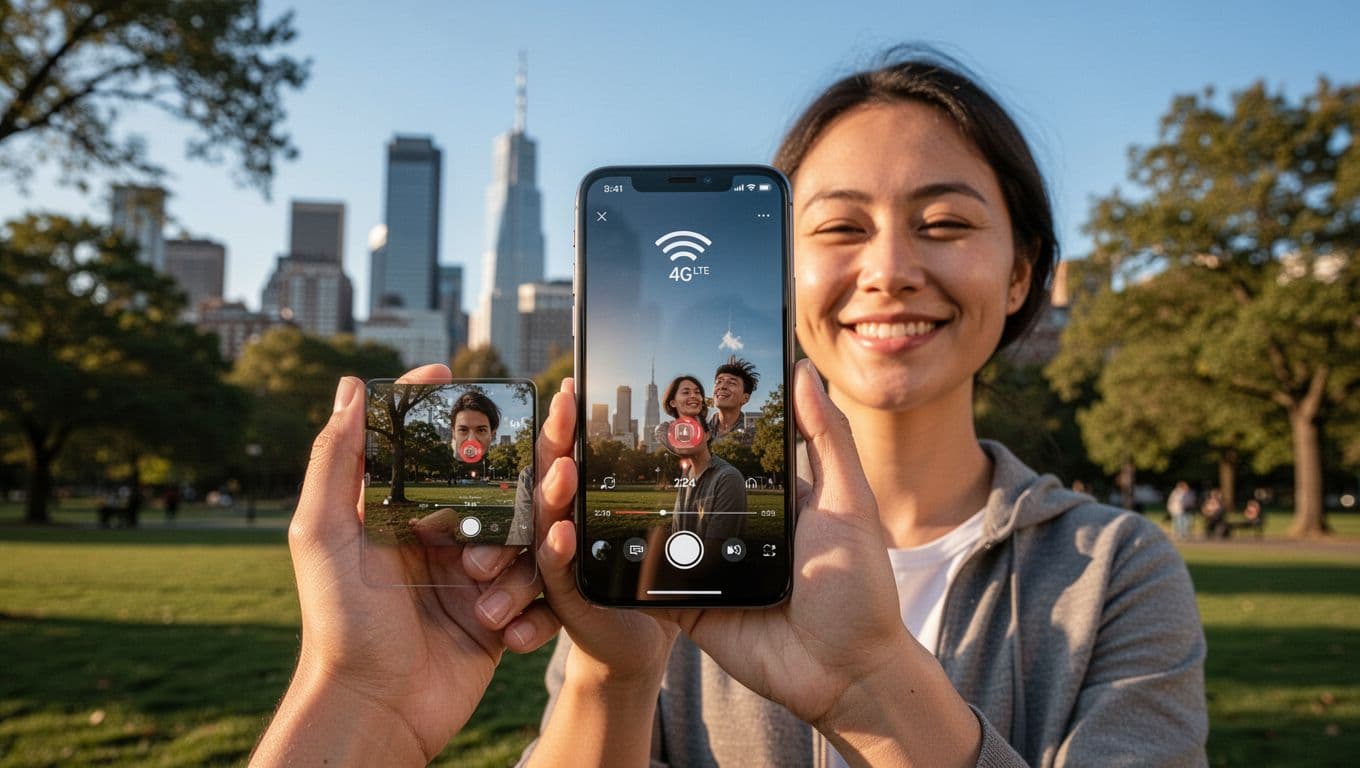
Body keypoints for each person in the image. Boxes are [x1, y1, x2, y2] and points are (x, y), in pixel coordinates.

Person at [519, 50, 1207, 767]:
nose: (889, 272)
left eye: (944, 224)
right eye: (842, 228)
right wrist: (613, 680)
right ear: (784, 271)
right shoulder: (675, 547)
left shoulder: (1116, 573)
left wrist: (871, 684)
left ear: (1020, 273)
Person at [251, 367, 569, 766]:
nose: (472, 439)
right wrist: (352, 686)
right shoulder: (429, 471)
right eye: (464, 430)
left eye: (481, 431)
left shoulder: (517, 479)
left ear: (493, 434)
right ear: (451, 434)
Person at [659, 374, 747, 541]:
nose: (685, 435)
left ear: (707, 435)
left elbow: (715, 549)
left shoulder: (728, 478)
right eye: (681, 431)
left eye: (692, 429)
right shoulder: (687, 474)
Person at [708, 356, 760, 446]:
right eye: (719, 382)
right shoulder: (700, 427)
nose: (722, 386)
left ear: (745, 398)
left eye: (732, 383)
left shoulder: (753, 433)